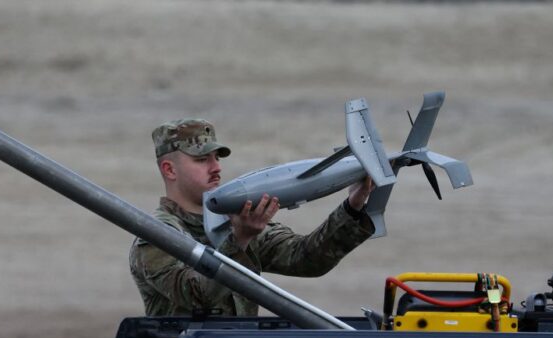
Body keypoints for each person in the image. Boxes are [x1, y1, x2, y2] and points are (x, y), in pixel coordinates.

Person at [130, 118, 376, 317]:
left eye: (216, 158)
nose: (216, 168)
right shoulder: (155, 236)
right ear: (169, 170)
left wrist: (351, 208)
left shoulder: (234, 220)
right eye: (202, 160)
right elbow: (197, 295)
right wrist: (239, 241)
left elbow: (306, 258)